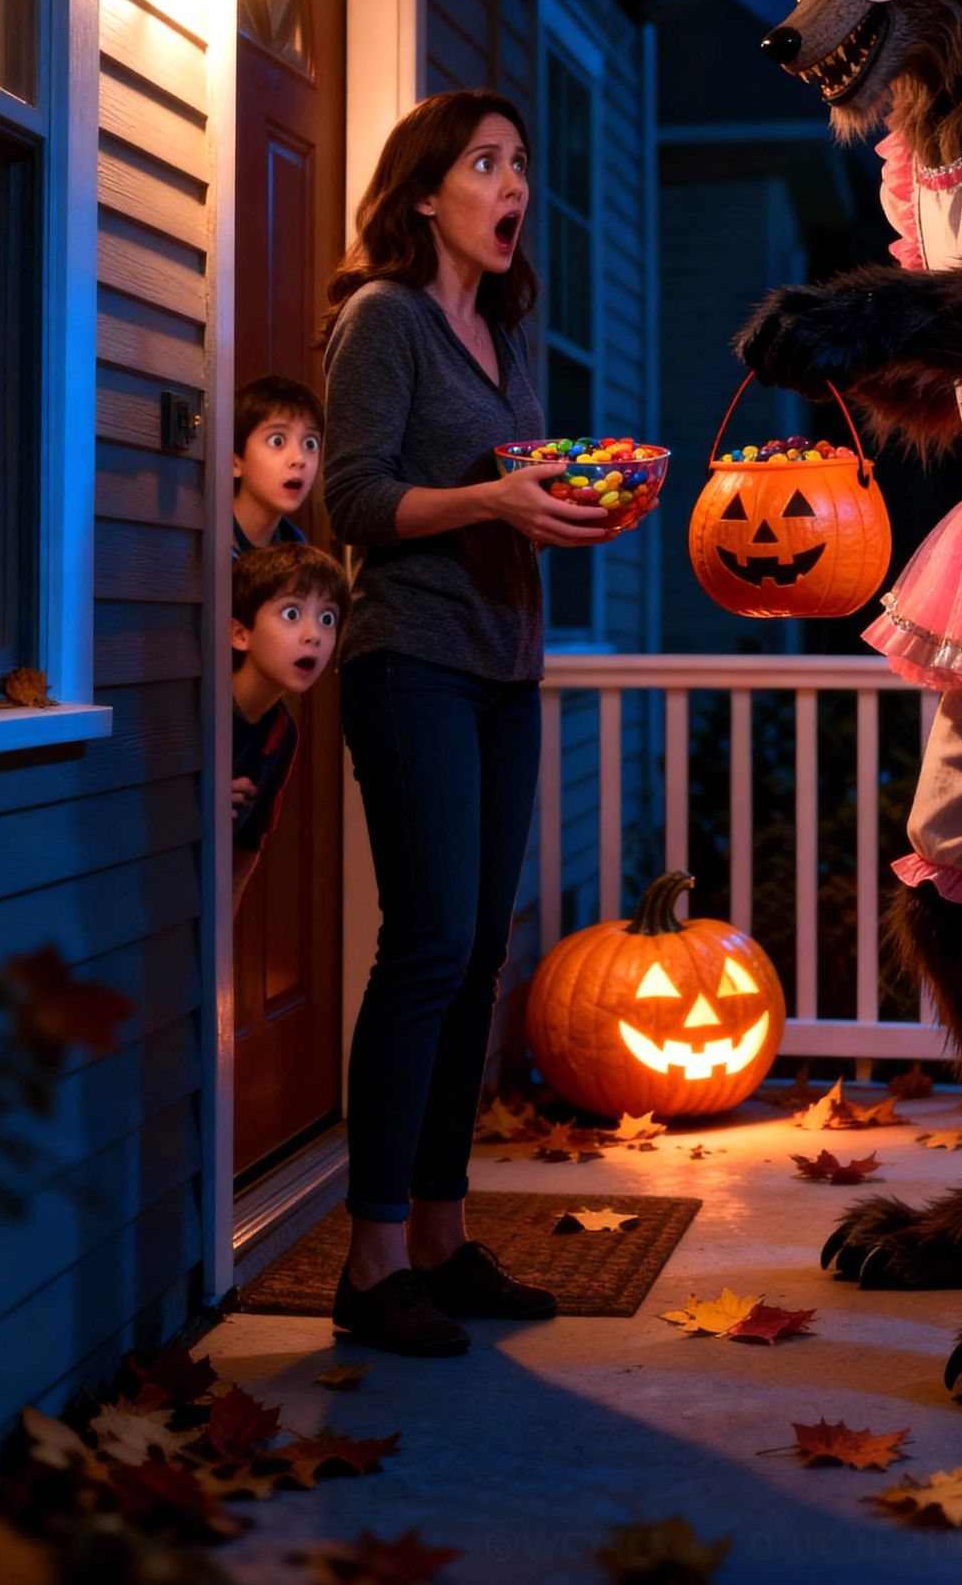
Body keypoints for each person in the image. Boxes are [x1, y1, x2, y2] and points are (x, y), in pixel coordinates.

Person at [321, 89, 610, 1358]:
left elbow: (512, 494)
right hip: (411, 665)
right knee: (428, 949)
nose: (512, 188)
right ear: (426, 190)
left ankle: (440, 1236)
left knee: (479, 954)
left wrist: (568, 502)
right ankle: (370, 1260)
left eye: (522, 166)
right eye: (487, 164)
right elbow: (357, 501)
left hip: (504, 668)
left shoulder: (502, 329)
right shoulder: (383, 320)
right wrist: (492, 500)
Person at [230, 542, 349, 917]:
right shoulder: (201, 710)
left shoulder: (282, 732)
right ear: (240, 634)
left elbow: (250, 842)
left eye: (328, 618)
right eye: (292, 613)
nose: (314, 635)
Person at [233, 375, 324, 555]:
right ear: (234, 462)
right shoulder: (206, 540)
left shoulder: (296, 548)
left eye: (310, 444)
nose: (299, 459)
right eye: (277, 441)